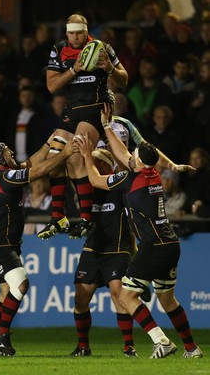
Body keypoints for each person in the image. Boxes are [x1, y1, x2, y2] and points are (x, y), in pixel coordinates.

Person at [76, 127, 202, 359]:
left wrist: (86, 155)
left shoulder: (129, 179)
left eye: (133, 155)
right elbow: (125, 154)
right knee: (167, 299)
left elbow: (95, 179)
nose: (129, 155)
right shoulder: (152, 173)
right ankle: (192, 348)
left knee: (125, 295)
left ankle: (160, 340)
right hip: (170, 244)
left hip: (152, 246)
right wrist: (106, 127)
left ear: (138, 162)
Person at [0, 137, 76, 357]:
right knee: (21, 285)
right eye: (6, 150)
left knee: (6, 293)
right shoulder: (3, 177)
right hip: (0, 245)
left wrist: (47, 145)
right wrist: (65, 153)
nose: (11, 151)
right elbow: (35, 172)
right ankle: (2, 340)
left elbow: (28, 165)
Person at [39, 13, 128, 239]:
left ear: (87, 31)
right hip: (73, 108)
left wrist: (110, 69)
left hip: (97, 107)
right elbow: (51, 86)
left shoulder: (101, 48)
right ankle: (58, 217)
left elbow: (124, 80)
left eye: (80, 32)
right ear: (66, 33)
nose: (76, 37)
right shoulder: (59, 49)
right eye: (72, 33)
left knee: (77, 154)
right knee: (54, 156)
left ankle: (86, 218)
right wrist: (74, 70)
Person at [71, 148, 142, 358]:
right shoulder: (87, 188)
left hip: (118, 249)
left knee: (118, 294)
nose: (89, 166)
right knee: (80, 298)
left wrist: (134, 250)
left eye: (94, 162)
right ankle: (83, 346)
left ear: (104, 165)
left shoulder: (118, 185)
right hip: (92, 248)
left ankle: (129, 346)